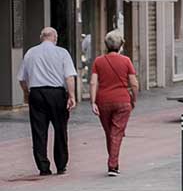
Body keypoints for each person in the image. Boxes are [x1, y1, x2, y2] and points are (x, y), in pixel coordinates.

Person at [18, 27, 77, 176]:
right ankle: (61, 164)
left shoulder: (30, 52)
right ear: (55, 38)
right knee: (60, 129)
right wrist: (71, 96)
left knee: (39, 131)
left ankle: (43, 166)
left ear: (41, 37)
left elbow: (22, 79)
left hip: (37, 93)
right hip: (57, 94)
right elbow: (69, 77)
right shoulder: (62, 53)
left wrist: (26, 94)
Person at [88, 30, 138, 176]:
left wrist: (93, 102)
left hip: (103, 101)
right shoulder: (126, 61)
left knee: (110, 133)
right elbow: (134, 83)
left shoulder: (98, 61)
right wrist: (134, 99)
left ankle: (113, 161)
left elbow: (93, 83)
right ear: (120, 45)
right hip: (122, 101)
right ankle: (113, 165)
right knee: (116, 133)